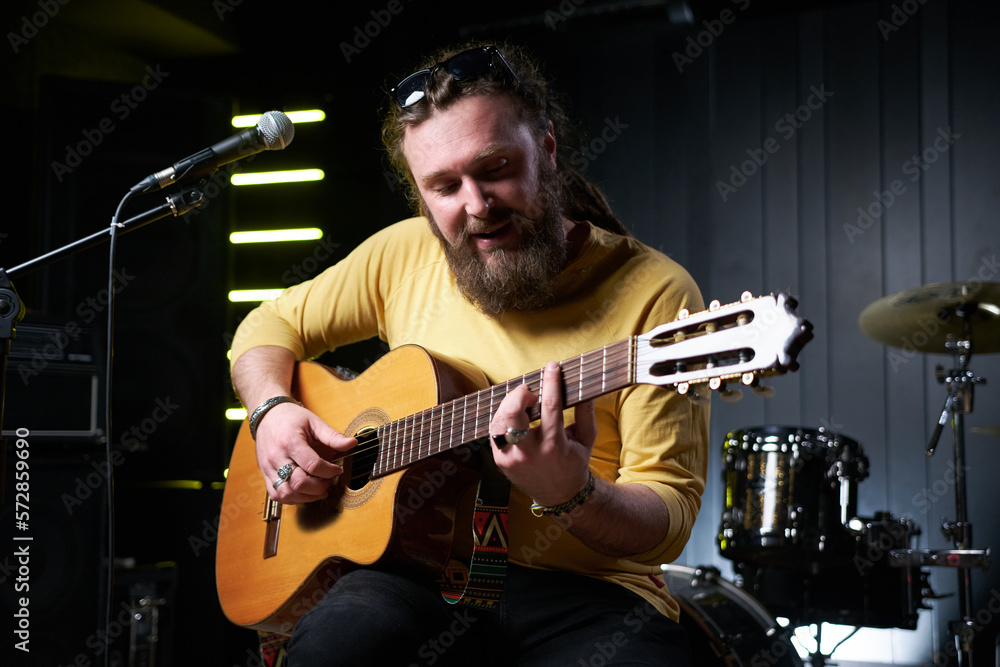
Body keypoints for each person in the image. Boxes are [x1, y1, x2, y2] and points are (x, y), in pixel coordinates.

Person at [229, 42, 709, 666]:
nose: (477, 206)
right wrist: (271, 411)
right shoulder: (402, 254)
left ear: (548, 149)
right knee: (337, 646)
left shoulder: (658, 294)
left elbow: (666, 516)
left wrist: (572, 492)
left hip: (590, 594)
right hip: (414, 576)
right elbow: (267, 324)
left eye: (496, 168)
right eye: (444, 186)